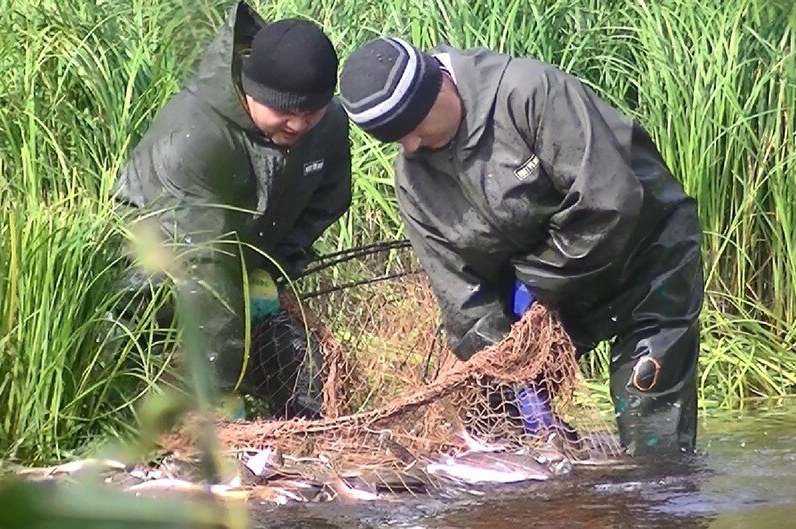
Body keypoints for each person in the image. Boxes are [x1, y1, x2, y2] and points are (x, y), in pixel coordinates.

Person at [337, 37, 703, 455]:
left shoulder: (529, 93)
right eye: (396, 141)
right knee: (492, 419)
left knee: (650, 416)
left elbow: (610, 204)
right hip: (549, 305)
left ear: (441, 87)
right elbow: (463, 300)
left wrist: (535, 280)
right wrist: (513, 375)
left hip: (647, 259)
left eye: (415, 130)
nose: (411, 147)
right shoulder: (414, 180)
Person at [112, 2, 351, 419]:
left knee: (296, 365)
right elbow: (203, 267)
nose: (297, 126)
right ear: (249, 92)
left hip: (237, 253)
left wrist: (274, 265)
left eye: (309, 114)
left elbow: (328, 198)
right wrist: (218, 389)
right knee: (156, 343)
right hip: (162, 261)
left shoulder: (326, 123)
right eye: (284, 114)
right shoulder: (193, 139)